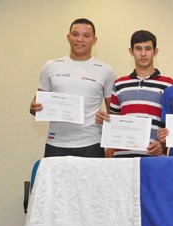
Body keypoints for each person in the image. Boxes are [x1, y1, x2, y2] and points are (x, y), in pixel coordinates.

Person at [29, 18, 116, 158]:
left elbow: (114, 113)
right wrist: (35, 108)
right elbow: (34, 105)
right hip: (56, 143)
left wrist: (111, 140)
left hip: (91, 144)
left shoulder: (106, 70)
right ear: (68, 38)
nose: (80, 39)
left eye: (86, 36)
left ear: (94, 40)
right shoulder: (51, 66)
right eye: (75, 34)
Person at [96, 30, 173, 157]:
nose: (143, 54)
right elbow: (114, 120)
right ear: (131, 51)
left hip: (154, 157)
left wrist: (163, 145)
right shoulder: (119, 84)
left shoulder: (170, 85)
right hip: (122, 156)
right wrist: (104, 120)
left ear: (155, 52)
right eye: (138, 48)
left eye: (148, 49)